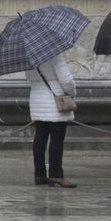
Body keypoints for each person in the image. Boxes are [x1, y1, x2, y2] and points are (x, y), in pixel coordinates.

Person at [25, 54, 77, 188]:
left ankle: (40, 174)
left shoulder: (28, 56)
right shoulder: (54, 54)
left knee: (40, 138)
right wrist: (72, 92)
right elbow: (66, 80)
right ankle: (56, 174)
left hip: (37, 98)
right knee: (57, 140)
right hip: (55, 101)